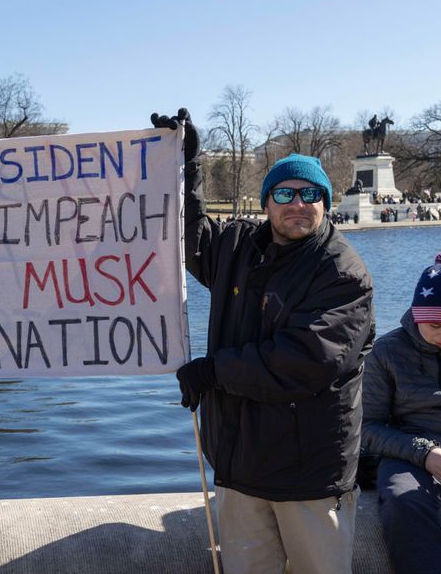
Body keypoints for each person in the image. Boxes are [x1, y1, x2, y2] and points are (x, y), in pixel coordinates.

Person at [154, 109, 375, 574]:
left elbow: (306, 360)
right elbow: (185, 236)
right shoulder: (237, 246)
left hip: (310, 474)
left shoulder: (343, 273)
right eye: (285, 193)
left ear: (326, 202)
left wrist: (213, 370)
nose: (298, 203)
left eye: (310, 194)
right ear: (267, 201)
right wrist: (185, 164)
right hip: (239, 466)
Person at [362, 249, 441, 574]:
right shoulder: (387, 351)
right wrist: (426, 453)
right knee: (403, 503)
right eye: (434, 325)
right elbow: (368, 427)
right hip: (411, 455)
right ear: (416, 314)